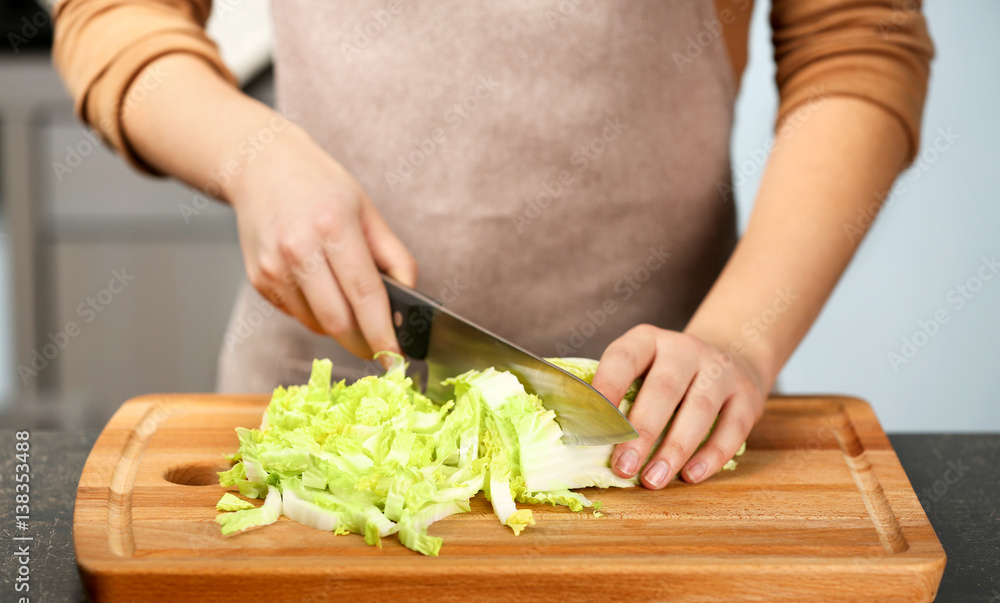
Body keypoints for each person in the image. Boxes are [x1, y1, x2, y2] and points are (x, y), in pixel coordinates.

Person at [52, 0, 933, 490]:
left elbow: (860, 40)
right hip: (327, 442)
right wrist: (253, 156)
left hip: (656, 439)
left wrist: (742, 336)